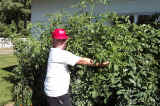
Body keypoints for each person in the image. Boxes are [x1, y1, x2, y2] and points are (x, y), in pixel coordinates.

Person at [44, 28, 109, 106]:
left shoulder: (53, 51)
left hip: (52, 92)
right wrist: (101, 63)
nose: (62, 42)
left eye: (62, 40)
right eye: (61, 40)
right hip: (57, 94)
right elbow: (83, 61)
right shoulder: (60, 54)